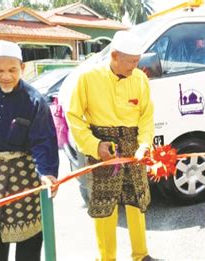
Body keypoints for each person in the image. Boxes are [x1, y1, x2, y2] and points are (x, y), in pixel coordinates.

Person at [0, 40, 59, 261]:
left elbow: (44, 140)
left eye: (12, 70)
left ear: (22, 68)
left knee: (30, 237)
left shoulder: (34, 100)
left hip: (25, 176)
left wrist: (47, 172)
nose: (6, 76)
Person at [66, 30, 154, 261]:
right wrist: (94, 146)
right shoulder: (87, 78)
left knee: (136, 201)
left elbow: (146, 116)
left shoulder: (140, 78)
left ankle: (141, 254)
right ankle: (106, 258)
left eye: (137, 61)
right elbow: (73, 116)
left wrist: (144, 144)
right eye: (131, 61)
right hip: (103, 147)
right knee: (105, 207)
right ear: (114, 55)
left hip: (133, 146)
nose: (135, 66)